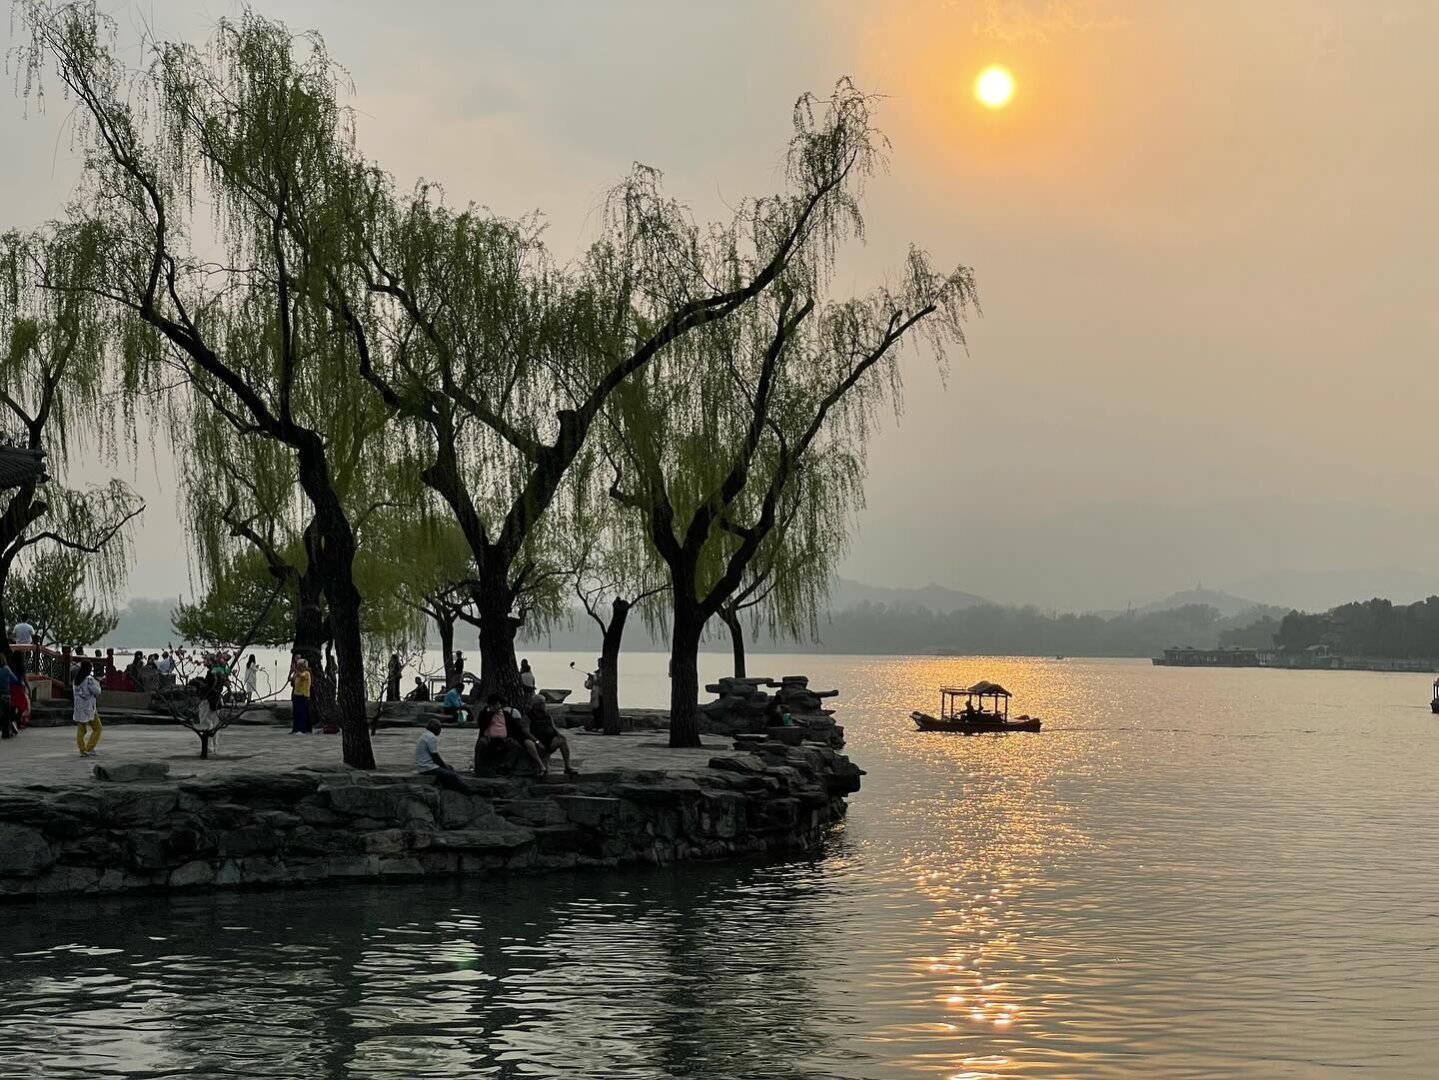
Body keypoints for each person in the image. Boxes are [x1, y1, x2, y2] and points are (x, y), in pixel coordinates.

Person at [527, 697, 576, 776]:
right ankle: (541, 766)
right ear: (536, 705)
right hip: (536, 741)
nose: (544, 705)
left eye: (544, 703)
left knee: (562, 740)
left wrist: (558, 734)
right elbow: (526, 731)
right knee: (530, 743)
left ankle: (567, 767)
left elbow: (553, 727)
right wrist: (537, 742)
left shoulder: (547, 715)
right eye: (542, 703)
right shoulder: (528, 716)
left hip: (549, 740)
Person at [415, 718, 467, 791]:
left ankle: (445, 784)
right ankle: (467, 789)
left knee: (450, 768)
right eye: (440, 728)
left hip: (422, 766)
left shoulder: (425, 735)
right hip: (427, 768)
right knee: (453, 775)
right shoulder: (431, 737)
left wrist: (446, 766)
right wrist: (445, 767)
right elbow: (435, 757)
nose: (440, 731)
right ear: (435, 727)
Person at [73, 659, 103, 756]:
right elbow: (97, 692)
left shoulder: (76, 680)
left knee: (81, 730)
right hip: (89, 708)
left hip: (79, 707)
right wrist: (97, 682)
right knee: (98, 728)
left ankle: (82, 749)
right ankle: (89, 748)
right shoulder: (89, 680)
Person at [197, 671, 224, 751]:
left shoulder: (210, 680)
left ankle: (210, 746)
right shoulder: (219, 677)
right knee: (214, 724)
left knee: (207, 724)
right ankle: (214, 745)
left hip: (210, 702)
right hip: (216, 702)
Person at [290, 657, 312, 734]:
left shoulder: (307, 673)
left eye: (301, 666)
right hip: (296, 694)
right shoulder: (297, 673)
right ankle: (295, 729)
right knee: (296, 713)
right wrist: (292, 671)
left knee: (302, 713)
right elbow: (291, 679)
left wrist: (296, 670)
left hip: (303, 695)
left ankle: (302, 729)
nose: (299, 667)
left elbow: (302, 676)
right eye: (298, 666)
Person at [0, 652, 19, 739]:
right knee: (6, 715)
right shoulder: (6, 669)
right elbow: (15, 679)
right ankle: (6, 733)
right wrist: (7, 681)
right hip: (6, 695)